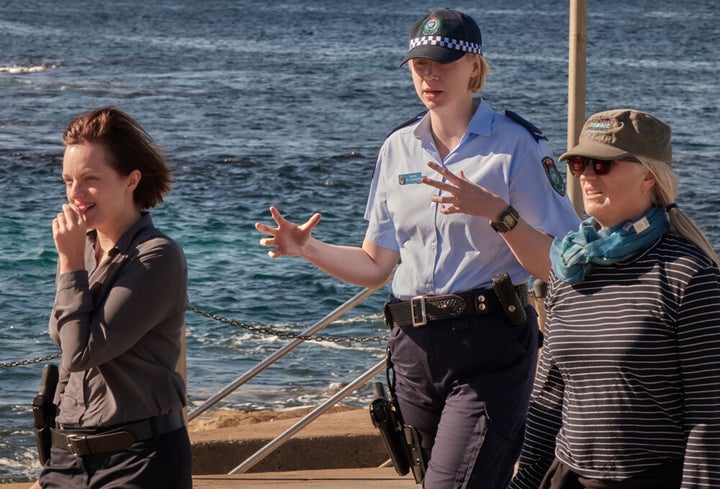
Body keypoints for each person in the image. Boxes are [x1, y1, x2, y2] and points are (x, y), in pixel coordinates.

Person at [255, 8, 579, 488]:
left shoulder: (517, 145)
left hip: (489, 344)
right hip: (412, 350)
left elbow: (557, 264)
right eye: (419, 65)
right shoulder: (398, 147)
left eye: (443, 63)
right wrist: (308, 249)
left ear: (474, 68)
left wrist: (496, 212)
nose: (429, 75)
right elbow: (374, 265)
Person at [422, 108, 720, 488]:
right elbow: (548, 398)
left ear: (649, 175)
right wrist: (525, 481)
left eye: (602, 165)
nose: (586, 176)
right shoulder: (571, 265)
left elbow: (709, 411)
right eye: (579, 164)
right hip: (568, 477)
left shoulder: (687, 273)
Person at [37, 107, 191, 489]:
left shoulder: (157, 256)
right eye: (68, 180)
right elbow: (64, 348)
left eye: (90, 179)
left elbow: (80, 352)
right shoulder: (84, 248)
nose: (75, 193)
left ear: (131, 180)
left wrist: (69, 262)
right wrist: (51, 468)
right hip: (67, 457)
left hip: (137, 460)